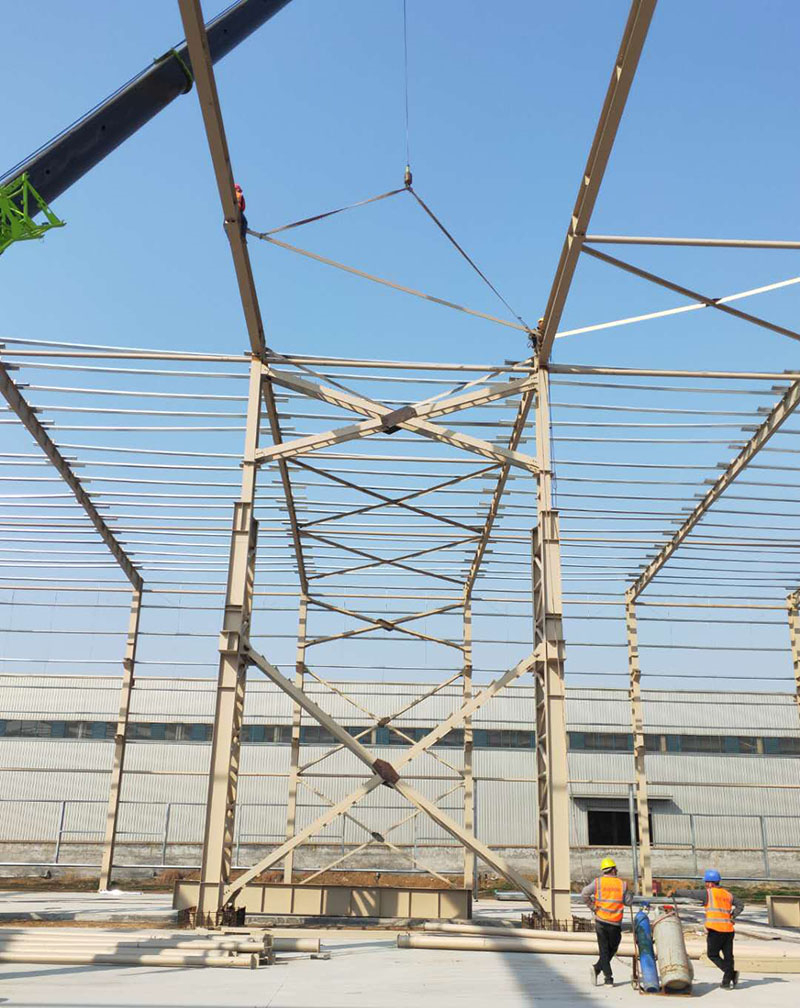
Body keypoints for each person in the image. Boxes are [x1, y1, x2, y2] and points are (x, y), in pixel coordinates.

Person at [672, 869, 743, 989]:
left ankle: (730, 973)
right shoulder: (728, 894)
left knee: (712, 955)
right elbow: (740, 904)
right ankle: (726, 982)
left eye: (706, 882)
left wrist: (676, 892)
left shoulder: (708, 893)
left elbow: (691, 893)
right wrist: (732, 915)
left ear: (710, 883)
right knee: (728, 957)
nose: (705, 884)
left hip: (715, 930)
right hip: (728, 930)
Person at [581, 857, 633, 987]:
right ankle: (608, 978)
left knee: (605, 950)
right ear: (614, 870)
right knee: (611, 948)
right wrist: (630, 893)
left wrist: (593, 907)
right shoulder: (622, 884)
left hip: (601, 920)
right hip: (614, 922)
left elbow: (584, 894)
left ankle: (597, 968)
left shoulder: (597, 882)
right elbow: (628, 902)